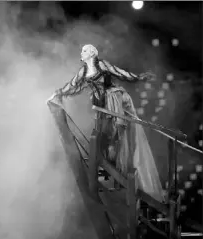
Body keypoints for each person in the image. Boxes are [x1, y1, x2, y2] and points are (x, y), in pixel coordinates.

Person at [47, 44, 164, 202]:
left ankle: (117, 167)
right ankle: (110, 165)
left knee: (114, 133)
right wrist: (58, 93)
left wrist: (138, 77)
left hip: (112, 99)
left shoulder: (101, 65)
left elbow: (120, 73)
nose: (81, 53)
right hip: (101, 105)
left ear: (91, 53)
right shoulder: (83, 71)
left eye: (84, 51)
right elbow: (73, 85)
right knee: (102, 134)